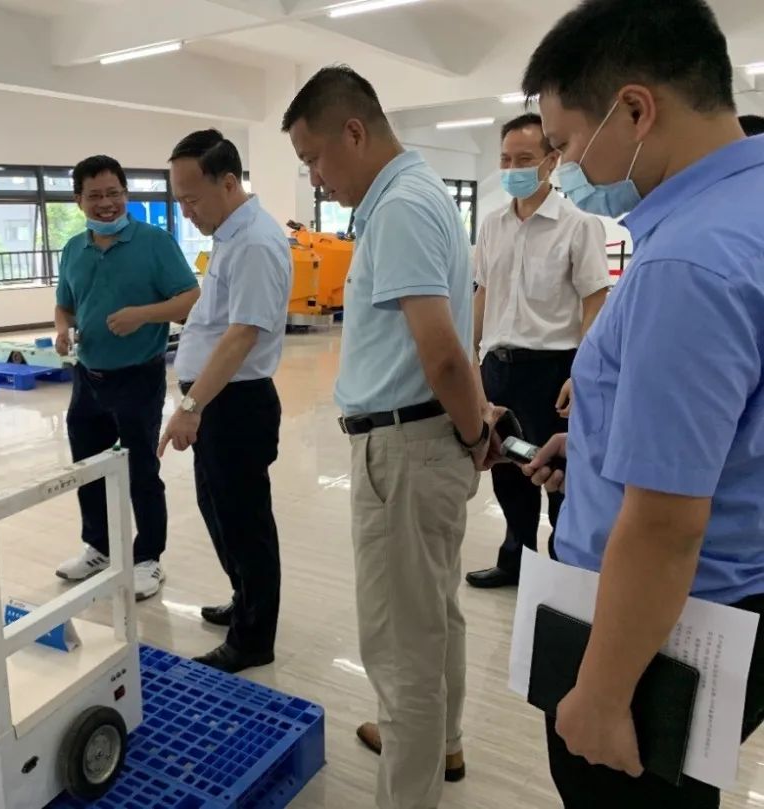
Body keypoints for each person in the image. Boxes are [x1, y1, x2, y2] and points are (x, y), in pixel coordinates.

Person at [517, 1, 764, 806]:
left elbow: (665, 523)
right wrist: (595, 445)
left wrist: (602, 692)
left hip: (661, 631)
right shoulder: (745, 210)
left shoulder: (687, 263)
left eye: (563, 143)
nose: (562, 168)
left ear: (634, 110)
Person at [284, 66, 493, 809]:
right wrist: (470, 428)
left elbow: (443, 352)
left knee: (402, 647)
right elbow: (452, 335)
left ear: (354, 132)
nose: (315, 177)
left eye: (314, 158)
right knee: (434, 613)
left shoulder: (399, 208)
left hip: (404, 449)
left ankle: (411, 785)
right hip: (424, 439)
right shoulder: (421, 194)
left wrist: (474, 430)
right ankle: (440, 740)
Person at [159, 129, 290, 674]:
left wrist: (190, 408)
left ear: (229, 182)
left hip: (235, 404)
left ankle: (253, 639)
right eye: (180, 200)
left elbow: (241, 336)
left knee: (244, 522)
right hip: (218, 400)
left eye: (192, 198)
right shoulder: (231, 235)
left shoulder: (255, 242)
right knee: (220, 512)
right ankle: (245, 598)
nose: (186, 212)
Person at [464, 113, 609, 590]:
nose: (512, 169)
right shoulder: (493, 225)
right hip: (499, 368)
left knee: (557, 473)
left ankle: (563, 571)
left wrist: (581, 371)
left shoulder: (578, 225)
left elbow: (595, 299)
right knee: (506, 469)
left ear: (552, 161)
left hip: (553, 371)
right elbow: (483, 292)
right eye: (505, 159)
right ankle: (516, 559)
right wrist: (471, 357)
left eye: (524, 159)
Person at [54, 155, 199, 601]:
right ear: (78, 200)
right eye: (95, 196)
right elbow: (65, 305)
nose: (106, 204)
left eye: (114, 193)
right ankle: (99, 547)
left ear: (126, 194)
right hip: (88, 376)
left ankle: (148, 557)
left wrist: (143, 315)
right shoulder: (73, 249)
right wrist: (61, 329)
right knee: (88, 468)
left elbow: (191, 298)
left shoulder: (155, 242)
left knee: (140, 471)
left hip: (138, 375)